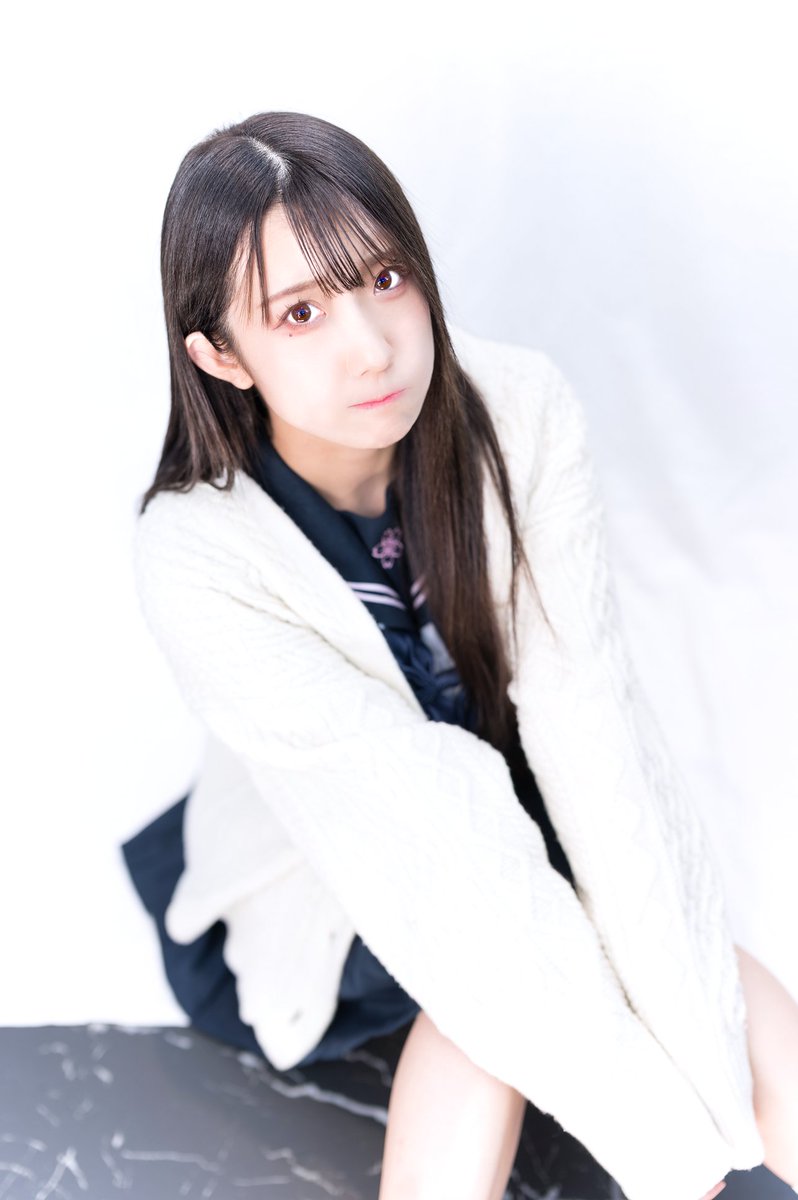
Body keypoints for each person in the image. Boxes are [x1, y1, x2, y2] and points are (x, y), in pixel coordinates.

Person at [124, 111, 797, 1200]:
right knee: (482, 1016)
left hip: (513, 805)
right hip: (330, 872)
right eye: (300, 311)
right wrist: (676, 1153)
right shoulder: (197, 555)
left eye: (385, 277)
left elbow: (589, 715)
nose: (371, 345)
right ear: (220, 355)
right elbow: (426, 839)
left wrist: (702, 1050)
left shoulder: (517, 410)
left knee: (702, 963)